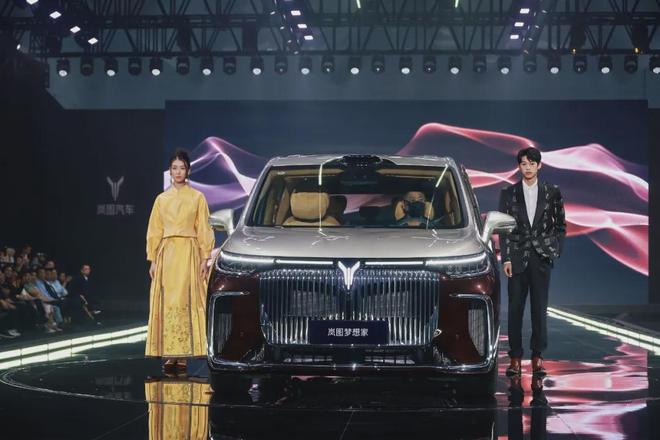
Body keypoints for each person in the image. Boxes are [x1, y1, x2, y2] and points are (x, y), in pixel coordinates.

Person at [498, 147, 566, 377]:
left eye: (531, 163)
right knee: (515, 311)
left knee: (539, 309)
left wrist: (555, 250)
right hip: (517, 258)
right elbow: (504, 229)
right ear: (519, 166)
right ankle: (515, 358)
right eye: (523, 164)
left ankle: (537, 357)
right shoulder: (508, 192)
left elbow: (560, 225)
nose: (527, 167)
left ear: (539, 165)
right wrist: (506, 258)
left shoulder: (552, 191)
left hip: (541, 258)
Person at [145, 149, 215, 374]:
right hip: (167, 254)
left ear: (188, 171)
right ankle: (169, 353)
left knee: (185, 299)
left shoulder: (197, 197)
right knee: (168, 301)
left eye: (182, 168)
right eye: (174, 168)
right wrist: (153, 259)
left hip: (188, 253)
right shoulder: (161, 199)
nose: (178, 172)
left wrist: (205, 257)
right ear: (169, 171)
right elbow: (154, 230)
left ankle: (183, 354)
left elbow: (204, 228)